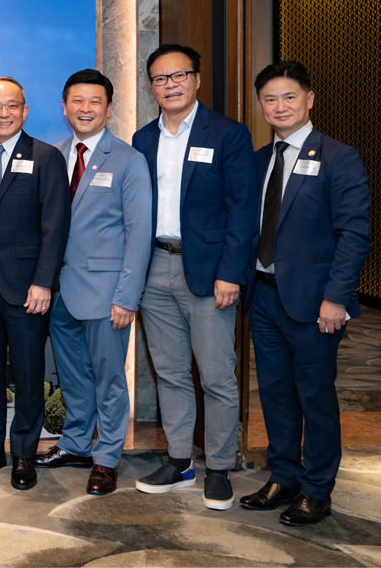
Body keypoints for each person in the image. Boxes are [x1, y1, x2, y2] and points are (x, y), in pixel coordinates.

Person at [239, 61, 370, 526]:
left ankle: (317, 489)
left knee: (315, 398)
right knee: (275, 394)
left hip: (316, 303)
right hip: (264, 298)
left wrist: (337, 297)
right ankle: (284, 477)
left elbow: (354, 234)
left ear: (309, 100)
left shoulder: (338, 156)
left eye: (289, 97)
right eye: (270, 99)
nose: (280, 106)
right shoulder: (259, 160)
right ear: (261, 106)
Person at [130, 44, 257, 510]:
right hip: (154, 267)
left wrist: (231, 273)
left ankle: (219, 467)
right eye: (160, 78)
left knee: (217, 376)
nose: (170, 85)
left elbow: (243, 212)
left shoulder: (227, 134)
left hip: (209, 272)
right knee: (170, 373)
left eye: (179, 75)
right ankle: (180, 461)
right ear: (151, 87)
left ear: (197, 80)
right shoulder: (143, 139)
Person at [34, 70, 151, 495]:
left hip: (106, 295)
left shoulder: (128, 160)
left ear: (109, 108)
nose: (85, 109)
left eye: (95, 101)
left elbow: (139, 233)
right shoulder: (54, 155)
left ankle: (107, 457)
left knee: (109, 380)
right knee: (73, 376)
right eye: (77, 101)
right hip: (59, 291)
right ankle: (76, 443)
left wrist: (127, 297)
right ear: (65, 107)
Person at [0, 76, 70, 491]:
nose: (3, 114)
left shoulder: (46, 157)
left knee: (28, 372)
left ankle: (23, 451)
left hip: (27, 288)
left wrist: (44, 282)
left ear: (24, 110)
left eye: (12, 106)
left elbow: (55, 225)